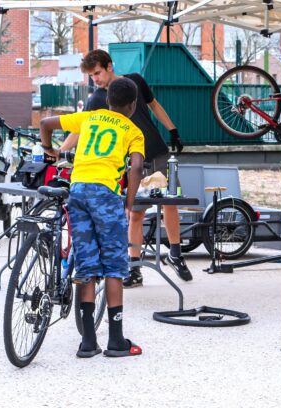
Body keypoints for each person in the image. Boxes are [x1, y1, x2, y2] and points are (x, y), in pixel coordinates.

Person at [39, 77, 145, 358]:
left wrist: (49, 150)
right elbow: (136, 167)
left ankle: (87, 342)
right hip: (106, 195)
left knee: (86, 263)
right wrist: (129, 203)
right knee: (113, 266)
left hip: (78, 191)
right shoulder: (133, 130)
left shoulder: (89, 117)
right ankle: (116, 340)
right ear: (132, 105)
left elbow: (46, 124)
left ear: (108, 99)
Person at [79, 49, 191, 287]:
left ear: (109, 66)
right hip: (133, 162)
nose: (95, 79)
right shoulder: (96, 100)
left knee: (170, 204)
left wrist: (173, 130)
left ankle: (175, 253)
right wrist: (57, 151)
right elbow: (80, 129)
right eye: (91, 76)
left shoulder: (135, 81)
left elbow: (154, 105)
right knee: (136, 213)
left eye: (97, 73)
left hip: (157, 152)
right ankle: (135, 268)